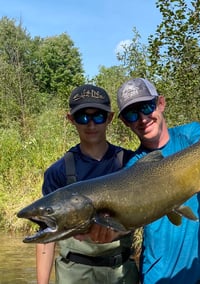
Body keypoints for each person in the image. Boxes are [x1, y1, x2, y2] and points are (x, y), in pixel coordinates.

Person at [116, 78, 200, 284]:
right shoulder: (134, 167)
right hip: (158, 276)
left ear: (160, 103)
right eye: (132, 114)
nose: (142, 118)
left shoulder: (191, 134)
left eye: (147, 107)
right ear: (125, 122)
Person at [36, 84, 139, 284]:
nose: (91, 124)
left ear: (109, 118)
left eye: (98, 116)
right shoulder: (57, 172)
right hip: (74, 273)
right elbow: (45, 237)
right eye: (83, 117)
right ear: (71, 119)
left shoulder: (130, 162)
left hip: (122, 270)